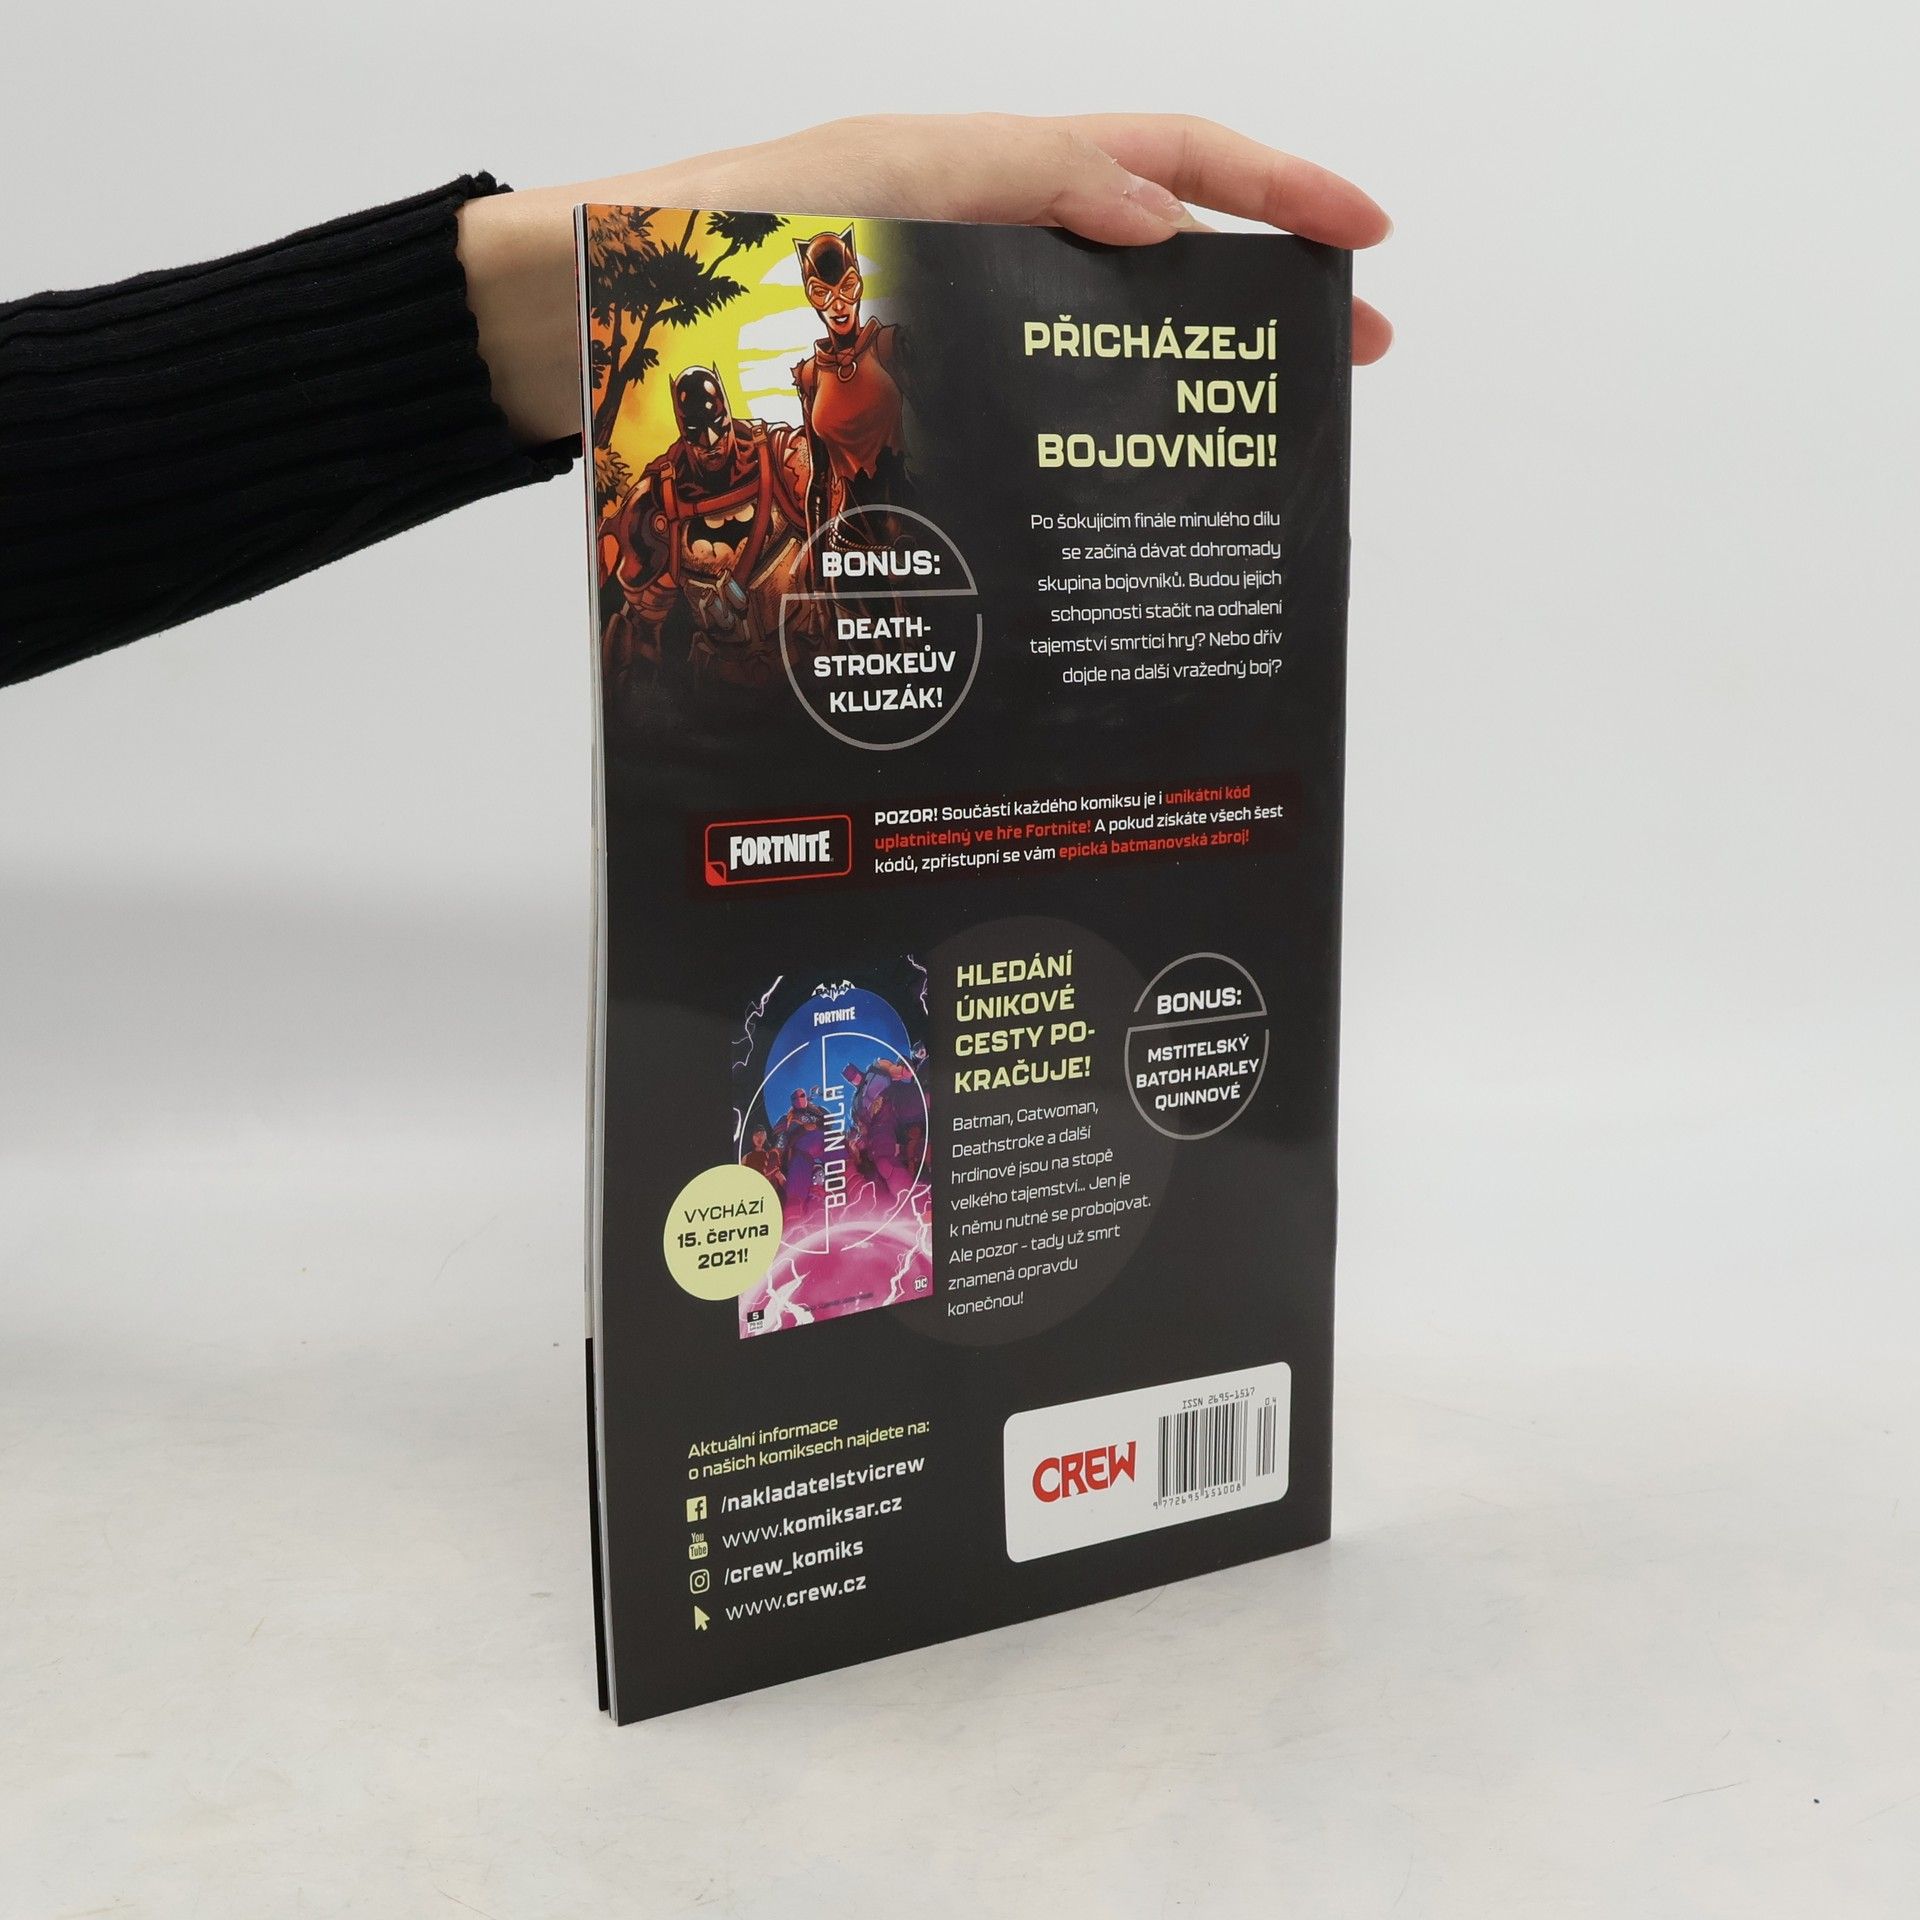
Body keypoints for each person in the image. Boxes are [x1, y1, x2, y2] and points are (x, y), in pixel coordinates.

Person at [0, 114, 1391, 692]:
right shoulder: (762, 419)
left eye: (843, 288)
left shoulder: (873, 357)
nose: (834, 307)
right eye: (823, 289)